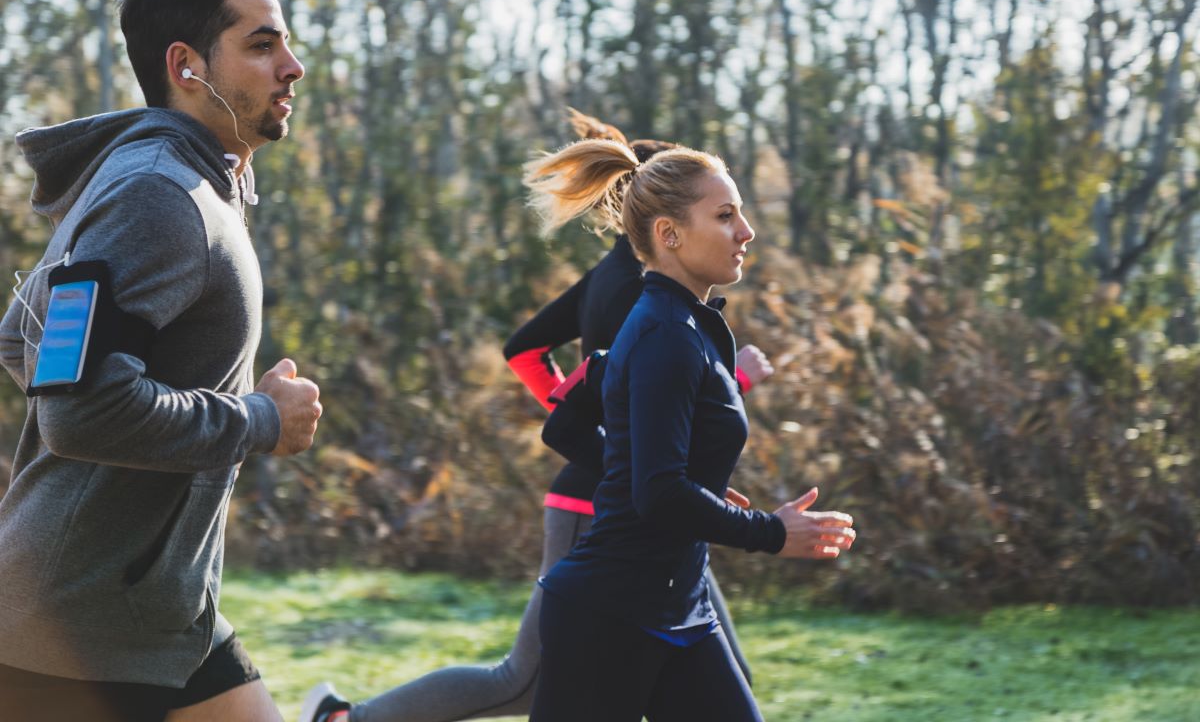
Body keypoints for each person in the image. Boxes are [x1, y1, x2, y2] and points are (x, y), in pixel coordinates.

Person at [298, 112, 771, 722]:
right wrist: (714, 398)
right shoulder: (648, 295)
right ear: (665, 222)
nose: (739, 230)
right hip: (603, 503)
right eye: (721, 211)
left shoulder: (610, 279)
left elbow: (530, 357)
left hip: (642, 508)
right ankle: (345, 720)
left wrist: (624, 438)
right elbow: (640, 403)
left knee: (719, 672)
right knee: (521, 680)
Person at [0, 0, 320, 722]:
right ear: (187, 65)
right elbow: (79, 409)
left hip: (156, 609)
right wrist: (260, 421)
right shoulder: (158, 194)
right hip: (82, 629)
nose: (293, 67)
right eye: (262, 44)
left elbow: (20, 337)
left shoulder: (175, 181)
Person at [521, 139, 857, 721]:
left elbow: (570, 427)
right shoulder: (662, 333)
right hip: (609, 616)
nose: (746, 231)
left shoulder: (688, 325)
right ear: (669, 234)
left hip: (680, 605)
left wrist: (668, 475)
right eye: (725, 216)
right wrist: (770, 533)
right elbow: (656, 493)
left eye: (741, 213)